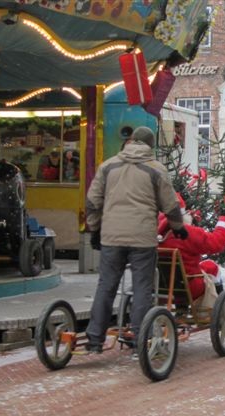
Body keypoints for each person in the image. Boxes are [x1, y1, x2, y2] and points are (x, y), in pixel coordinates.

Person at [84, 126, 188, 353]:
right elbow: (170, 205)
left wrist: (94, 230)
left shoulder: (108, 166)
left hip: (111, 237)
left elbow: (92, 201)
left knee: (106, 286)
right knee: (143, 287)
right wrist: (178, 228)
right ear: (150, 145)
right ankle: (140, 337)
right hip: (142, 239)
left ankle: (94, 339)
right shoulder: (155, 169)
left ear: (131, 141)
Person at [158, 195, 225, 300]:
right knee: (212, 267)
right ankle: (218, 308)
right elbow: (216, 243)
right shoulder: (185, 233)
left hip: (160, 287)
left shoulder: (154, 232)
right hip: (189, 287)